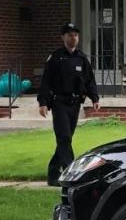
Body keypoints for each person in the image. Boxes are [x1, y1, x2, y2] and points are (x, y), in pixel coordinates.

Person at [38, 23, 100, 186]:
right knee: (64, 137)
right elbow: (46, 81)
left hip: (75, 104)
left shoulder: (81, 58)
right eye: (70, 35)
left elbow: (89, 80)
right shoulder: (56, 57)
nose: (73, 38)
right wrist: (43, 102)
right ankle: (72, 174)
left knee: (65, 140)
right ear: (63, 37)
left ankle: (52, 174)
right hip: (59, 103)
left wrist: (94, 98)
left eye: (76, 35)